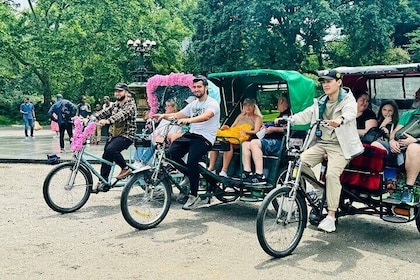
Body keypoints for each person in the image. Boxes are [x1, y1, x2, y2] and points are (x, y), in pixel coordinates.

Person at [290, 69, 364, 233]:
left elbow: (351, 113)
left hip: (340, 146)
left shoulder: (347, 99)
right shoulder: (320, 102)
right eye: (323, 82)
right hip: (322, 143)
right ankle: (320, 189)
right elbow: (306, 114)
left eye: (329, 81)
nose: (325, 85)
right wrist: (290, 119)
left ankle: (331, 216)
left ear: (338, 83)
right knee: (299, 163)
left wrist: (340, 120)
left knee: (332, 174)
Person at [153, 75, 220, 210]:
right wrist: (163, 116)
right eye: (194, 87)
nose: (196, 89)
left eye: (199, 87)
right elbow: (179, 114)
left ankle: (194, 195)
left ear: (205, 88)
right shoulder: (193, 104)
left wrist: (189, 120)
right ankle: (189, 175)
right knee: (170, 154)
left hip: (205, 137)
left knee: (192, 161)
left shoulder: (212, 103)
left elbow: (206, 116)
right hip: (192, 135)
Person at [374, 88, 420, 201]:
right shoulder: (409, 114)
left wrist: (415, 140)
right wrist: (392, 141)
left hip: (415, 147)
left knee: (413, 148)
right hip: (399, 146)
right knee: (375, 145)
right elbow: (394, 133)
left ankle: (408, 189)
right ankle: (376, 184)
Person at [93, 83, 137, 192]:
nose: (117, 93)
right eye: (116, 91)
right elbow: (105, 112)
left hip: (127, 135)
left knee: (111, 149)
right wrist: (92, 117)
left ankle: (125, 168)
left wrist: (108, 121)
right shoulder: (116, 104)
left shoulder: (130, 105)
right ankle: (103, 181)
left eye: (120, 91)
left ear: (126, 92)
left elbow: (121, 115)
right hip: (115, 135)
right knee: (106, 155)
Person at [241, 96, 290, 184]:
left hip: (279, 142)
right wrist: (266, 127)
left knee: (254, 143)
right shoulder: (281, 114)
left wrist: (273, 129)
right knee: (245, 144)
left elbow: (288, 129)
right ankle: (247, 172)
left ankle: (260, 175)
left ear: (283, 102)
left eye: (278, 102)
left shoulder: (289, 114)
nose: (277, 105)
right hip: (269, 139)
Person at [208, 98, 263, 177]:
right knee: (216, 142)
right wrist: (227, 128)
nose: (248, 107)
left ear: (254, 106)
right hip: (235, 135)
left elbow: (256, 131)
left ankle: (224, 170)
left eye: (250, 105)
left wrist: (245, 131)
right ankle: (211, 167)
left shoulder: (257, 118)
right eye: (246, 105)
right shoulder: (241, 116)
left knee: (228, 144)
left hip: (245, 139)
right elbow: (233, 127)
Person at [134, 100, 179, 168]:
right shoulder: (164, 119)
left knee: (152, 143)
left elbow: (172, 132)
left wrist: (158, 136)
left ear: (173, 108)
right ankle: (137, 161)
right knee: (141, 140)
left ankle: (143, 162)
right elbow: (158, 130)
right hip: (158, 138)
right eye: (165, 106)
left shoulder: (176, 119)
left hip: (166, 141)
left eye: (168, 106)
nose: (165, 108)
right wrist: (153, 135)